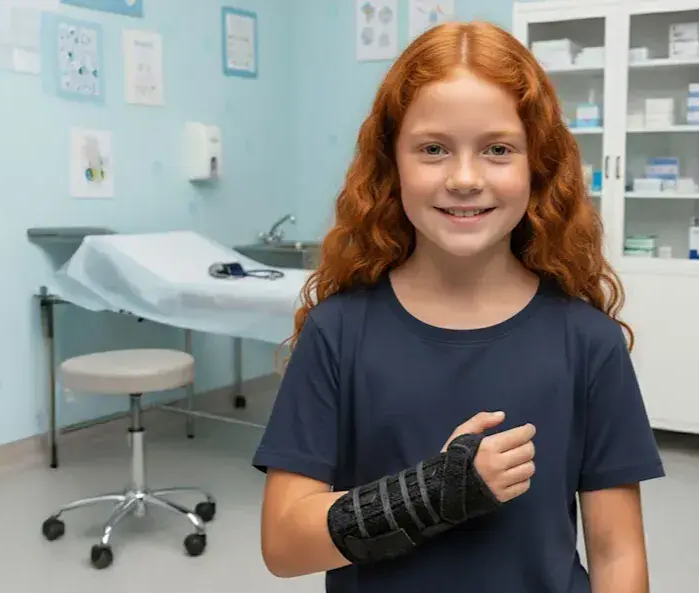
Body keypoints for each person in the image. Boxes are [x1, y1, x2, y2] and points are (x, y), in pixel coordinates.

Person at [251, 20, 665, 593]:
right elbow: (283, 545)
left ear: (536, 166)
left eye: (497, 149)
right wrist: (431, 494)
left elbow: (618, 556)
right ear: (390, 164)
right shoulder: (338, 332)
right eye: (433, 149)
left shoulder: (587, 341)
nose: (465, 178)